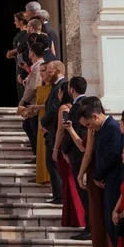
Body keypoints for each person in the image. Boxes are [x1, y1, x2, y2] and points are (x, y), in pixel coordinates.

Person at [79, 98, 124, 247]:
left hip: (112, 183)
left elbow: (112, 156)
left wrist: (97, 176)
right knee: (110, 226)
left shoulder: (112, 128)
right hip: (107, 182)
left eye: (89, 124)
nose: (89, 128)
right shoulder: (104, 128)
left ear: (96, 116)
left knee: (114, 227)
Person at [57, 76, 90, 240]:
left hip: (77, 155)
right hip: (85, 152)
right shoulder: (89, 103)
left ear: (71, 89)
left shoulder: (77, 107)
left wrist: (63, 149)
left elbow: (72, 130)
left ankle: (89, 227)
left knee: (83, 192)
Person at [52, 81, 85, 228]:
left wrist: (56, 149)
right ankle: (76, 218)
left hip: (67, 149)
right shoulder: (74, 106)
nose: (57, 94)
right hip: (73, 149)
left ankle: (76, 218)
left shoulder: (63, 108)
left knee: (69, 183)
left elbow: (61, 130)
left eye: (59, 92)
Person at [40, 61, 66, 204]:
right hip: (52, 129)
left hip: (56, 130)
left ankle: (60, 195)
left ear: (58, 71)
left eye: (50, 71)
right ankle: (59, 194)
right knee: (50, 163)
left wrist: (43, 122)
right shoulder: (56, 85)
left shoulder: (62, 85)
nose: (47, 74)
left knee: (52, 162)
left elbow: (56, 107)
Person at [26, 62, 51, 185]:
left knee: (46, 150)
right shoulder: (40, 87)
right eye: (40, 71)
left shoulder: (53, 88)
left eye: (44, 71)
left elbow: (50, 106)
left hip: (47, 121)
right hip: (40, 118)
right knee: (40, 150)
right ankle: (41, 177)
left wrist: (36, 107)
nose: (41, 73)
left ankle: (48, 177)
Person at [6, 12, 28, 101]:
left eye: (16, 20)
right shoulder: (20, 34)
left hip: (23, 63)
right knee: (19, 86)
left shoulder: (26, 34)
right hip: (19, 62)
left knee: (23, 84)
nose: (14, 23)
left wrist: (11, 52)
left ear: (21, 21)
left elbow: (22, 47)